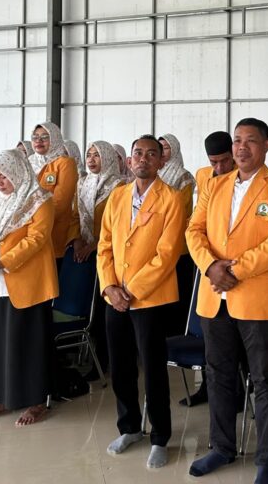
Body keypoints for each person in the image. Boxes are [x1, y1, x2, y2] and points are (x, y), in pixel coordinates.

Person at [185, 118, 268, 483]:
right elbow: (194, 230)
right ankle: (221, 447)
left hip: (257, 299)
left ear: (266, 145)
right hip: (214, 296)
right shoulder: (214, 185)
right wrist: (210, 266)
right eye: (237, 140)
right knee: (218, 375)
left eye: (251, 140)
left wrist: (233, 269)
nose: (242, 147)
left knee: (264, 379)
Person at [97, 135, 186, 469]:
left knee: (153, 370)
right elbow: (105, 246)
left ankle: (160, 437)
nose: (143, 159)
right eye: (138, 153)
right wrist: (110, 287)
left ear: (161, 161)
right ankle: (130, 427)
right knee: (120, 367)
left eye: (151, 154)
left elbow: (167, 255)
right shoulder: (118, 196)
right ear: (129, 160)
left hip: (150, 299)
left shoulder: (171, 199)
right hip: (115, 298)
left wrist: (130, 291)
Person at [0, 148, 58, 427]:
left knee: (27, 344)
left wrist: (2, 262)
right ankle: (2, 396)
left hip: (26, 283)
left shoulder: (40, 200)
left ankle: (36, 402)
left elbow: (36, 239)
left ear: (18, 172)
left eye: (4, 176)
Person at [184, 130, 236, 407]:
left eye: (224, 160)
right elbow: (196, 226)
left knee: (237, 342)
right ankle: (207, 387)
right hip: (209, 267)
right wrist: (210, 264)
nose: (219, 167)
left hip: (235, 269)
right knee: (211, 338)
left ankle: (239, 393)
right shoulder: (205, 176)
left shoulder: (244, 178)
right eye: (213, 162)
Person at [76, 140, 124, 380]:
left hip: (106, 253)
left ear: (108, 157)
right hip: (83, 252)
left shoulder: (119, 185)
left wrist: (93, 245)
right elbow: (74, 216)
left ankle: (104, 361)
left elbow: (117, 225)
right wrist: (77, 242)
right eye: (89, 154)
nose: (91, 159)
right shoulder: (83, 183)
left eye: (97, 155)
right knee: (87, 308)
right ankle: (90, 358)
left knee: (102, 309)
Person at [27, 121, 81, 260]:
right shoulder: (28, 162)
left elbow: (60, 202)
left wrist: (35, 222)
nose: (39, 141)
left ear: (55, 138)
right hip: (26, 233)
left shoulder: (65, 163)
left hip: (52, 232)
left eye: (45, 137)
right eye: (35, 137)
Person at [158, 133, 196, 219]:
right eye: (159, 148)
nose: (162, 151)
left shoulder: (184, 175)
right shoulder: (155, 171)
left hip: (174, 218)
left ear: (174, 149)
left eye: (165, 148)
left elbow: (186, 206)